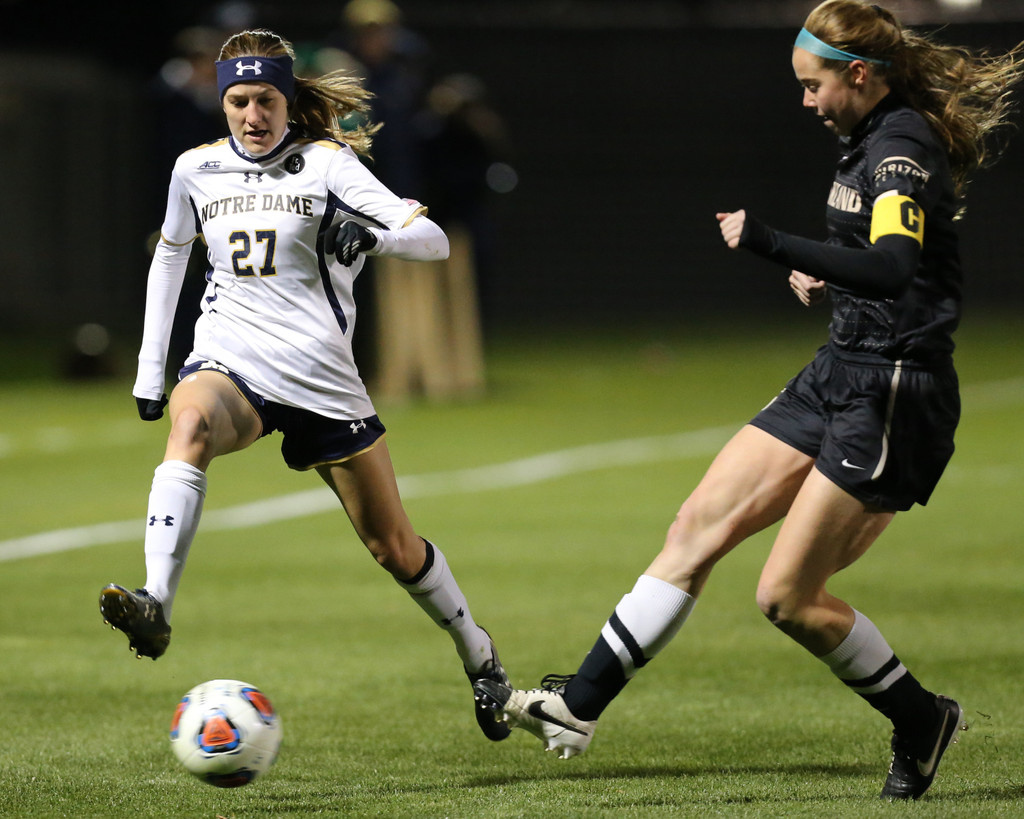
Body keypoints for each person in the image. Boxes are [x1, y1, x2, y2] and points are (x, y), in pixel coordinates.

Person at [475, 0, 1024, 798]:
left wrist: (773, 244)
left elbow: (896, 266)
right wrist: (826, 268)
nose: (805, 102)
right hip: (840, 366)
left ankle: (919, 717)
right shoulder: (865, 134)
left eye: (813, 86)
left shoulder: (900, 145)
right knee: (696, 524)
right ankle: (577, 706)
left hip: (894, 393)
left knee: (787, 597)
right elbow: (867, 258)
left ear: (858, 75)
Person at [99, 28, 510, 743]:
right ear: (221, 103)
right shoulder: (194, 169)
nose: (252, 116)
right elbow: (170, 256)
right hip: (231, 359)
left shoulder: (327, 165)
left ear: (288, 100)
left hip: (322, 379)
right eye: (237, 101)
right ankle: (156, 601)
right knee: (189, 425)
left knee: (394, 548)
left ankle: (479, 652)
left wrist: (375, 237)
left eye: (264, 100)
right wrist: (150, 367)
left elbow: (434, 239)